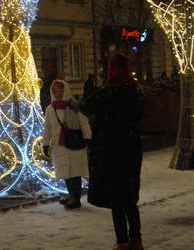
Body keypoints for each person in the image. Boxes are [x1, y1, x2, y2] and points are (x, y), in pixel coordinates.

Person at [71, 53, 144, 250]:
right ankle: (136, 241)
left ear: (112, 69)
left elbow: (87, 105)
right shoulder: (134, 91)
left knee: (117, 201)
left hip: (111, 153)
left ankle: (122, 242)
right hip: (130, 152)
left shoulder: (109, 92)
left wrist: (74, 104)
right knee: (129, 199)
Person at [42, 79, 91, 209]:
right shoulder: (50, 109)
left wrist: (87, 138)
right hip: (60, 145)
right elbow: (47, 128)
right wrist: (45, 143)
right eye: (55, 91)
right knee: (66, 172)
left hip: (75, 142)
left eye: (61, 90)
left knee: (75, 172)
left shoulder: (73, 106)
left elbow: (83, 122)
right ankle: (72, 196)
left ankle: (76, 198)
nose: (58, 93)